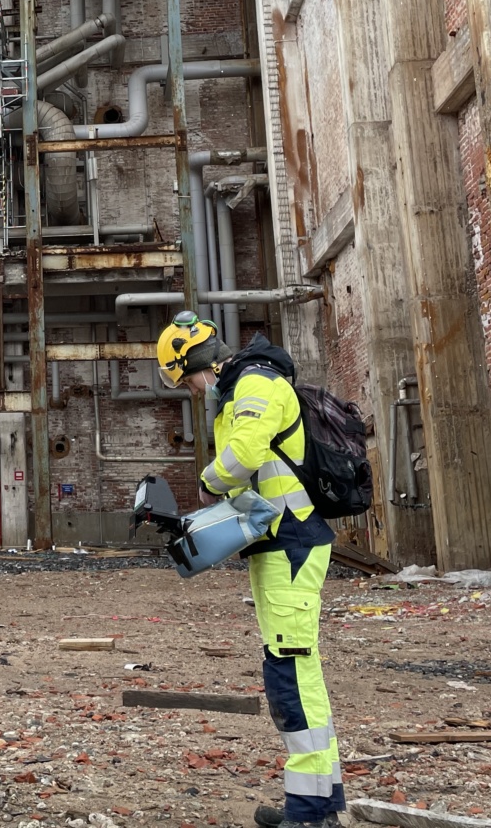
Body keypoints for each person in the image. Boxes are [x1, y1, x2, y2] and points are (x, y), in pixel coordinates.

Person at [155, 310, 344, 828]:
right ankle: (319, 803)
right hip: (279, 542)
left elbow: (244, 454)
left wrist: (208, 484)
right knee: (298, 668)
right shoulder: (242, 388)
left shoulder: (254, 383)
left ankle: (308, 813)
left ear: (196, 362)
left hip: (292, 542)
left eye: (186, 379)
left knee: (289, 669)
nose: (192, 391)